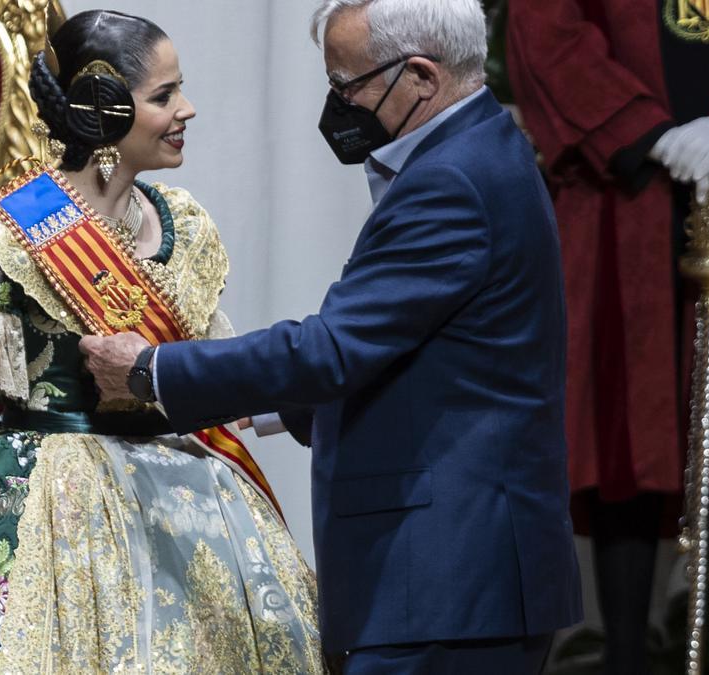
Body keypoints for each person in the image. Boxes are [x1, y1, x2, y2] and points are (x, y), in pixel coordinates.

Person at [0, 10, 323, 675]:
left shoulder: (183, 228)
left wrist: (322, 393)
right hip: (44, 497)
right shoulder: (1, 235)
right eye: (164, 95)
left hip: (185, 491)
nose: (186, 109)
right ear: (105, 112)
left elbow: (214, 375)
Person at [80, 0, 583, 672]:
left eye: (347, 85)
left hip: (445, 582)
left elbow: (333, 349)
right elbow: (416, 355)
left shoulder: (452, 182)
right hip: (460, 578)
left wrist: (153, 371)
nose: (337, 105)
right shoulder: (484, 145)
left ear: (421, 78)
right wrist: (268, 408)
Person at [505, 2, 709, 673]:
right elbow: (547, 26)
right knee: (625, 435)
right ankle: (625, 654)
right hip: (625, 193)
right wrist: (645, 132)